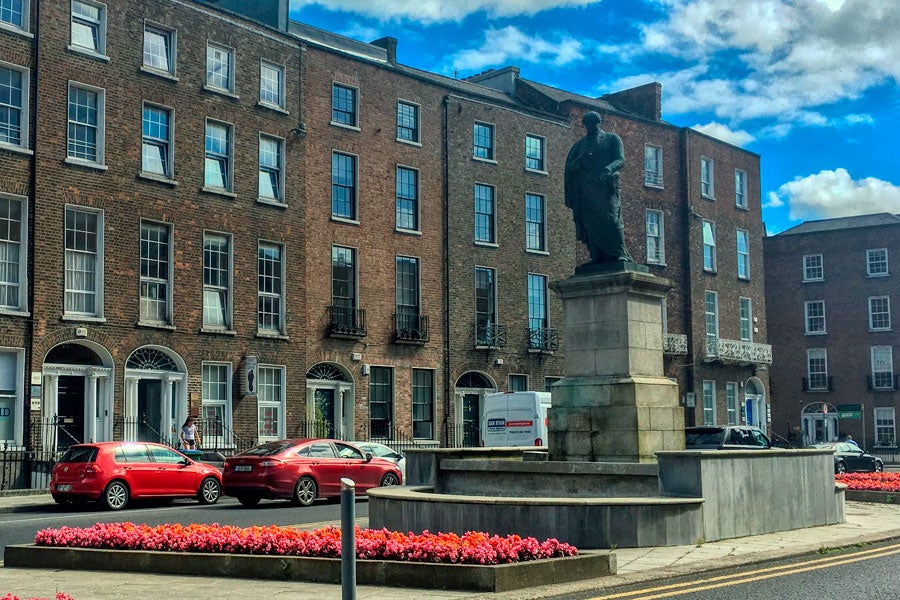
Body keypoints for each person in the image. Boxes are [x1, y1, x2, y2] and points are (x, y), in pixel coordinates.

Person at [564, 111, 633, 266]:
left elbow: (620, 159)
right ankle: (597, 255)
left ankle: (621, 252)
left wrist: (609, 169)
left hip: (605, 186)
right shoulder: (580, 145)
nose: (590, 126)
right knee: (590, 223)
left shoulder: (611, 138)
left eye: (593, 123)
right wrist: (581, 158)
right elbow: (570, 168)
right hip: (586, 189)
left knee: (612, 219)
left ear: (598, 123)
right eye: (587, 124)